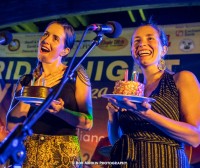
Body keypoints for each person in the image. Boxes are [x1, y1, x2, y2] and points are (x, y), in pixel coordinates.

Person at [106, 21, 200, 168]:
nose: (142, 44)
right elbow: (116, 142)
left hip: (167, 162)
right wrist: (112, 118)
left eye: (150, 38)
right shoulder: (130, 92)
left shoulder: (181, 79)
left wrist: (147, 114)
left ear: (163, 50)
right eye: (137, 41)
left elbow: (195, 137)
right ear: (132, 51)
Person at [6, 20, 93, 168]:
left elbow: (88, 122)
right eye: (45, 34)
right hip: (28, 153)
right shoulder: (26, 80)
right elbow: (11, 124)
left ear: (65, 51)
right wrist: (30, 93)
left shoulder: (75, 74)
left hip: (62, 155)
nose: (46, 40)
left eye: (55, 38)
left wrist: (60, 111)